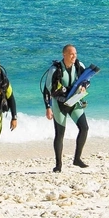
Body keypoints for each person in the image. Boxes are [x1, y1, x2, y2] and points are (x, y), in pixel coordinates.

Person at [42, 44, 91, 173]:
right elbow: (46, 90)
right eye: (71, 54)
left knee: (84, 128)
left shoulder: (79, 66)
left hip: (74, 102)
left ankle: (77, 159)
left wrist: (84, 87)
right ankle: (58, 165)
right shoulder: (55, 70)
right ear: (64, 55)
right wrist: (48, 107)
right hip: (59, 104)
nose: (74, 56)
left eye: (75, 53)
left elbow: (87, 80)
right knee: (60, 134)